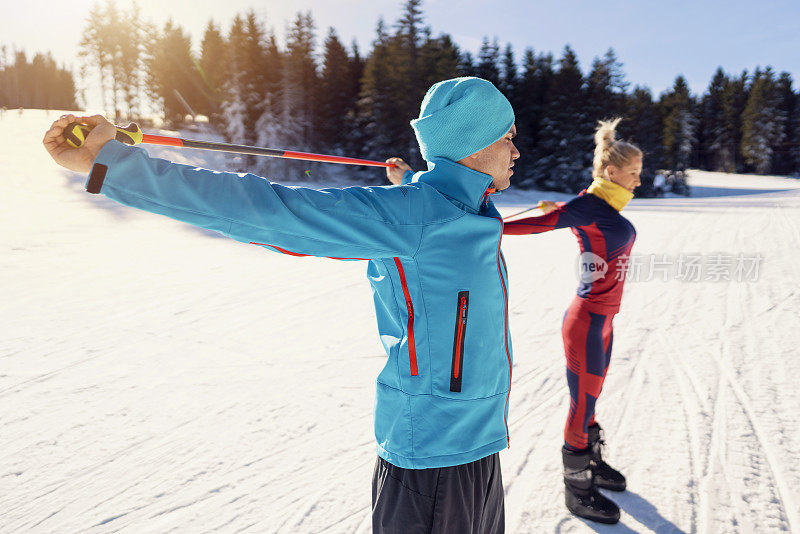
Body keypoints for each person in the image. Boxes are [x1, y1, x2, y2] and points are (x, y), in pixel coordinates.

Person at [43, 76, 520, 533]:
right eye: (508, 138)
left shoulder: (470, 212)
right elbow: (263, 209)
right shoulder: (412, 217)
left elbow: (437, 204)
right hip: (433, 461)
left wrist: (410, 178)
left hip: (483, 449)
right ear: (475, 146)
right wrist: (114, 164)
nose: (517, 151)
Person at [503, 118, 641, 525]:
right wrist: (491, 227)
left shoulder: (601, 204)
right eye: (633, 174)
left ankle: (592, 462)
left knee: (591, 398)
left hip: (603, 322)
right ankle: (577, 489)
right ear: (611, 172)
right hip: (586, 322)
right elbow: (541, 224)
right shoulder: (589, 206)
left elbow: (579, 215)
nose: (638, 181)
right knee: (582, 403)